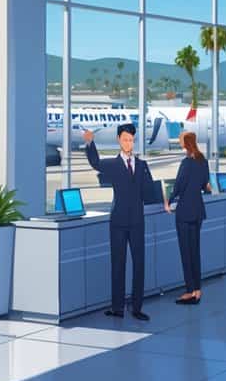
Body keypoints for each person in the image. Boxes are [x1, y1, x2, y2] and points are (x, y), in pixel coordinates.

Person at [83, 124, 165, 321]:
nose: (128, 143)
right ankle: (117, 307)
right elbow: (95, 163)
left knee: (139, 265)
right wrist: (89, 142)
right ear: (119, 140)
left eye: (131, 140)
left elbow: (149, 193)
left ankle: (137, 308)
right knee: (118, 264)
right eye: (125, 139)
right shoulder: (112, 164)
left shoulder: (142, 165)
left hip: (137, 221)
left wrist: (165, 198)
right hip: (118, 221)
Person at [167, 131, 211, 305]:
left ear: (186, 143)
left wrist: (168, 200)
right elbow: (204, 185)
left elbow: (178, 186)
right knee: (195, 252)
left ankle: (189, 291)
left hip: (184, 212)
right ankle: (197, 290)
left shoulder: (186, 163)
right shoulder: (203, 161)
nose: (179, 142)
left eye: (180, 140)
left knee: (186, 253)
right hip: (198, 211)